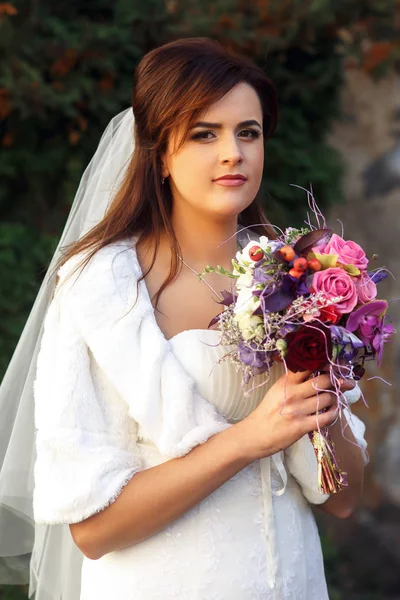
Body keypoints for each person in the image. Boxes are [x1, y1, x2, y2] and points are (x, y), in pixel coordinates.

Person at [0, 37, 368, 600]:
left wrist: (324, 397)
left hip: (292, 580)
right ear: (160, 153)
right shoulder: (99, 288)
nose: (233, 153)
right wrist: (249, 438)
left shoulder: (296, 275)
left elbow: (343, 497)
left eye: (249, 132)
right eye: (205, 134)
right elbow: (92, 530)